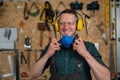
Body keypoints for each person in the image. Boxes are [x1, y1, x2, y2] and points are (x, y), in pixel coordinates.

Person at [29, 9, 110, 80]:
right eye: (62, 23)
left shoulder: (89, 47)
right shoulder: (52, 47)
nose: (66, 27)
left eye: (70, 23)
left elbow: (106, 78)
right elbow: (32, 74)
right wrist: (47, 55)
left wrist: (85, 54)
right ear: (57, 26)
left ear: (78, 25)